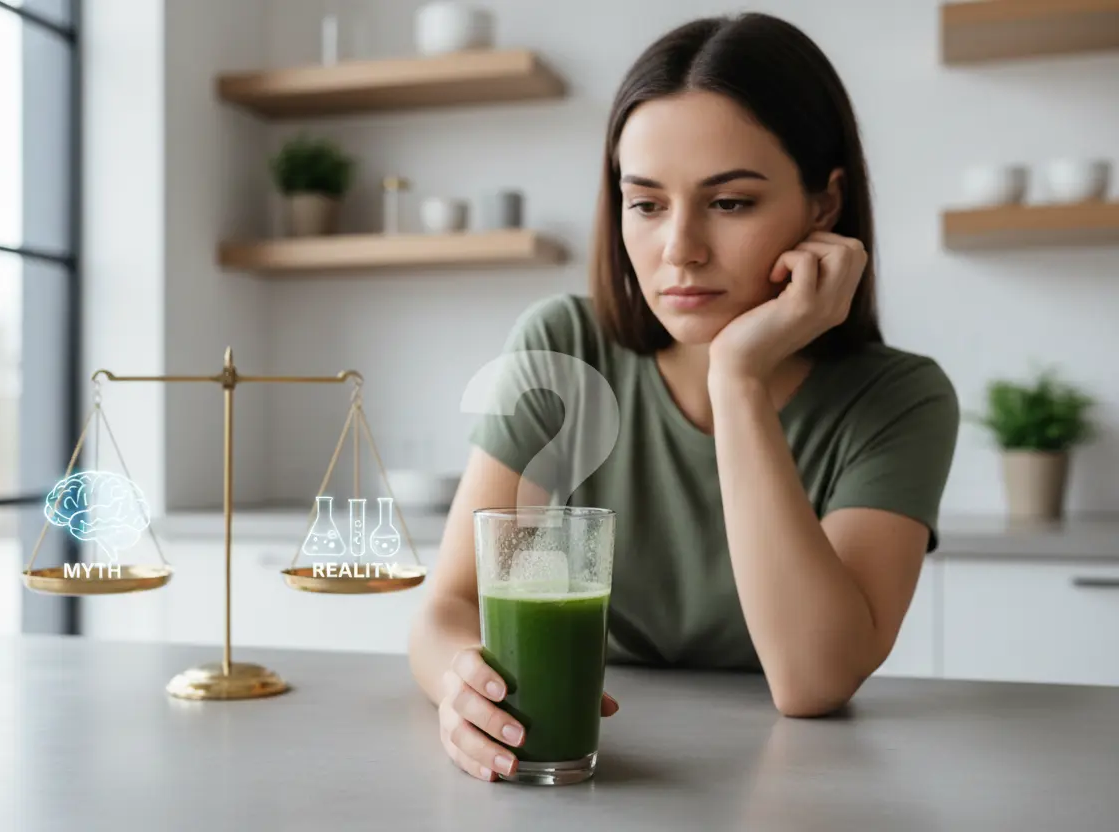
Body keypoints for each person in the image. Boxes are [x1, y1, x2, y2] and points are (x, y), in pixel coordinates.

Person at [408, 12, 960, 783]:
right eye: (647, 203)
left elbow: (813, 680)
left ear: (824, 206)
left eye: (729, 203)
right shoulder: (565, 348)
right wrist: (466, 689)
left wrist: (737, 376)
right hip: (590, 758)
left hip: (802, 782)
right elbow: (449, 610)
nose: (679, 250)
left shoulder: (898, 398)